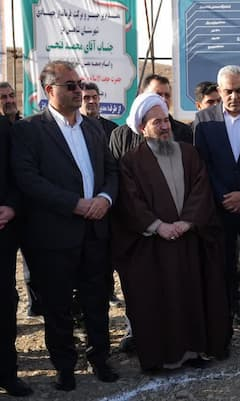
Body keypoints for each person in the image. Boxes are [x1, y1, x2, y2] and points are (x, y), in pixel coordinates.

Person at [10, 60, 119, 391]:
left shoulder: (93, 128)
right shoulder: (29, 130)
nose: (79, 91)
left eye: (80, 85)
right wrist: (74, 203)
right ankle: (65, 367)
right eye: (71, 85)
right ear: (49, 90)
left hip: (95, 231)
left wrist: (105, 198)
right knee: (57, 305)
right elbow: (28, 179)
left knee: (96, 300)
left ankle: (100, 358)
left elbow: (111, 171)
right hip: (54, 235)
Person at [111, 93, 229, 371]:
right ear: (142, 128)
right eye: (157, 123)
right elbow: (130, 202)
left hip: (188, 241)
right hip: (154, 246)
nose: (165, 127)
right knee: (159, 301)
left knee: (191, 296)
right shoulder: (131, 161)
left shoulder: (189, 153)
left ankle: (193, 351)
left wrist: (187, 223)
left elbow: (201, 190)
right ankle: (163, 358)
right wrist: (159, 226)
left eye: (166, 120)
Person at [193, 65, 240, 360]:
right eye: (228, 91)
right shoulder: (204, 121)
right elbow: (203, 166)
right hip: (220, 211)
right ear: (219, 90)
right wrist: (225, 197)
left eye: (239, 90)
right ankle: (222, 335)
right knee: (222, 274)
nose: (234, 96)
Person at [79, 81, 121, 307]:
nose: (91, 101)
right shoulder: (74, 129)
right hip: (81, 205)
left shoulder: (111, 128)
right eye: (86, 98)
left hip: (108, 202)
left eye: (94, 97)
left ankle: (109, 291)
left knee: (107, 254)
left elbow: (114, 166)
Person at [0, 116, 33, 397]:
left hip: (2, 231)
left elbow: (19, 173)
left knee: (3, 304)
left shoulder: (4, 127)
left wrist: (12, 206)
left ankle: (6, 373)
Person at [109, 74, 193, 160]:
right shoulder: (121, 136)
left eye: (167, 95)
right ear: (142, 94)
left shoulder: (184, 132)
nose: (163, 99)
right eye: (158, 94)